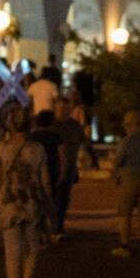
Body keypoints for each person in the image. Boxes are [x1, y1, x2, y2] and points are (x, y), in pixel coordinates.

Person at [0, 107, 51, 278]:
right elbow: (45, 182)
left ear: (10, 124)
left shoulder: (1, 148)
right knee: (32, 248)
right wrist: (50, 205)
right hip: (31, 202)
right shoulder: (38, 149)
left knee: (12, 251)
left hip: (9, 203)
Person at [110, 111, 140, 258]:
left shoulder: (126, 142)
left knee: (124, 214)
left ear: (129, 125)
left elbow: (118, 161)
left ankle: (125, 247)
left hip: (129, 179)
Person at [51, 95, 85, 237]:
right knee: (51, 198)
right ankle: (50, 227)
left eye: (66, 108)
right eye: (60, 108)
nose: (63, 111)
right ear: (55, 108)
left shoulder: (75, 125)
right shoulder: (50, 125)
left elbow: (84, 142)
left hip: (69, 168)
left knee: (63, 199)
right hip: (52, 168)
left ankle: (58, 227)